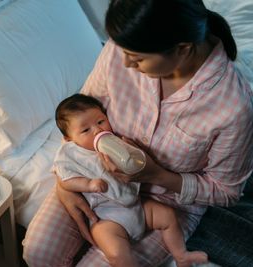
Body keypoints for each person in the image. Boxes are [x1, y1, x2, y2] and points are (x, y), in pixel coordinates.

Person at [23, 0, 253, 266]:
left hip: (163, 203)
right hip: (92, 175)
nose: (125, 62)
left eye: (138, 58)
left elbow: (226, 191)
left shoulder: (233, 108)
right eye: (121, 49)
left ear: (182, 49)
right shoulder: (124, 48)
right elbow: (79, 115)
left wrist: (157, 175)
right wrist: (64, 182)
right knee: (38, 252)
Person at [53, 93, 208, 267]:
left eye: (100, 122)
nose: (98, 130)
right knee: (115, 251)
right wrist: (87, 184)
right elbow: (65, 179)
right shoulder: (71, 154)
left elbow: (137, 163)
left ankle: (181, 255)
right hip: (108, 217)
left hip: (138, 206)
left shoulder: (116, 143)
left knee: (168, 216)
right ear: (69, 139)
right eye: (85, 130)